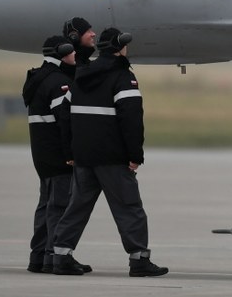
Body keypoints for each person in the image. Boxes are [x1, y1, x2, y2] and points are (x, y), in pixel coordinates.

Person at [51, 27, 168, 278]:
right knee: (129, 208)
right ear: (120, 48)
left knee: (77, 207)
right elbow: (132, 120)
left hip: (83, 157)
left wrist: (70, 150)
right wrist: (136, 156)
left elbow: (63, 113)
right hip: (113, 159)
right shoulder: (123, 78)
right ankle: (139, 260)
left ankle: (60, 256)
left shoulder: (81, 76)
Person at [22, 35, 91, 274]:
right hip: (58, 156)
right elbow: (65, 121)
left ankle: (38, 256)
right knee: (60, 206)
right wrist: (71, 153)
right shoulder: (59, 83)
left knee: (46, 205)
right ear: (62, 52)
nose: (76, 56)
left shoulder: (39, 79)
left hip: (42, 156)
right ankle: (55, 256)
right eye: (71, 52)